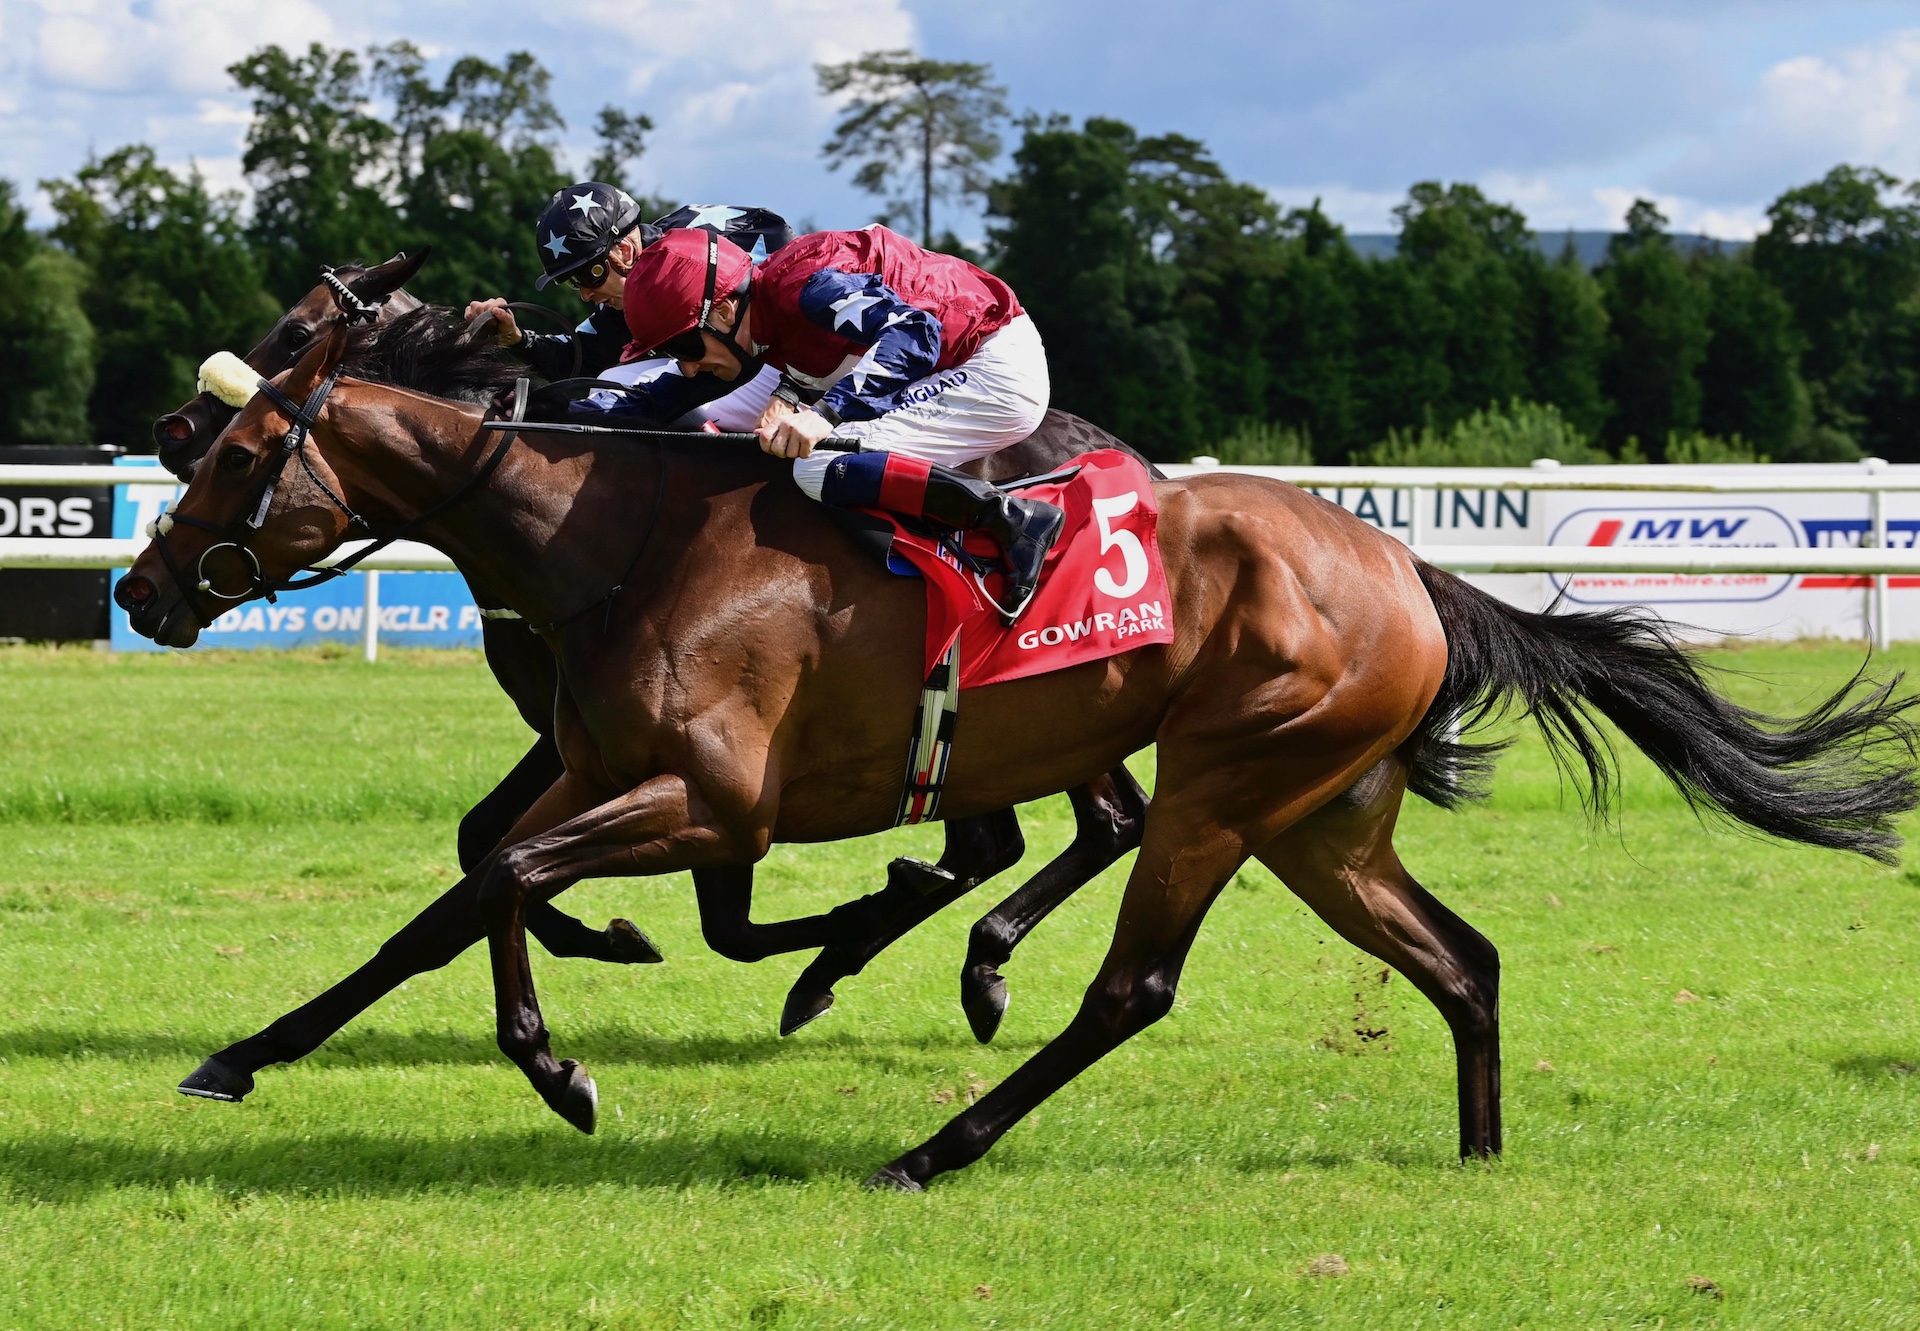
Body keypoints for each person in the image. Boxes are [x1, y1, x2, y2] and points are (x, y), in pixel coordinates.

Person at [605, 224, 1064, 624]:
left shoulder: (805, 289)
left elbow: (914, 334)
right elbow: (696, 389)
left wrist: (823, 415)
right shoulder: (765, 302)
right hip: (955, 356)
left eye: (686, 349)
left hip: (993, 369)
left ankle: (1014, 521)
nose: (686, 367)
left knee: (818, 465)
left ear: (724, 311)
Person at [462, 185, 794, 428]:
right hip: (744, 370)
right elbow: (579, 359)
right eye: (573, 283)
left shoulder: (692, 246)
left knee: (627, 386)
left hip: (793, 364)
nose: (584, 296)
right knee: (609, 381)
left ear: (622, 251)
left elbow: (785, 247)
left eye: (585, 277)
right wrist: (518, 339)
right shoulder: (627, 297)